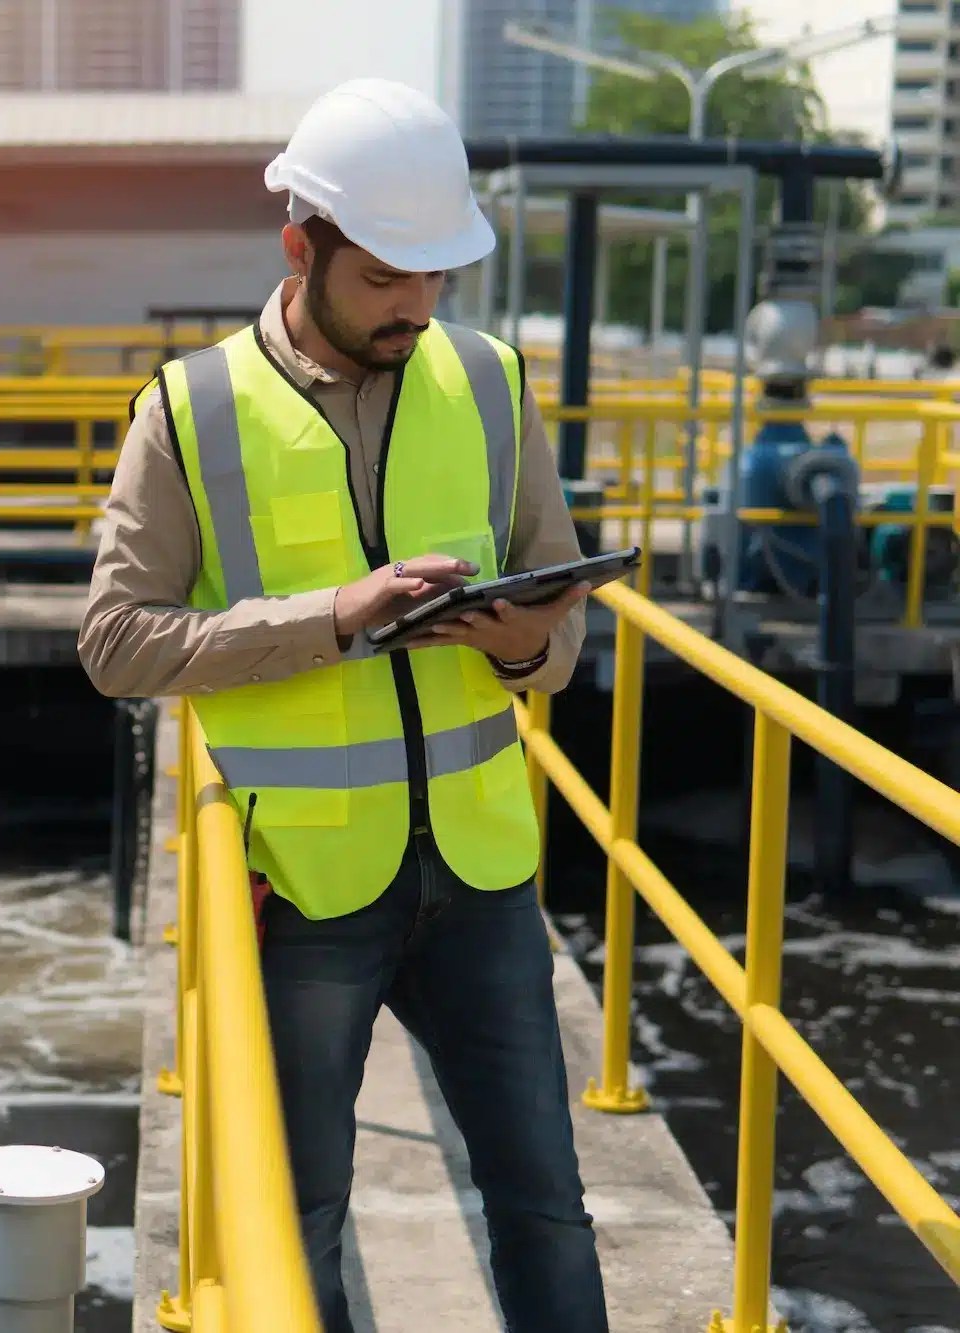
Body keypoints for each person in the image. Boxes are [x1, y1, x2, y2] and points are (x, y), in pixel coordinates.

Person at [77, 79, 607, 1332]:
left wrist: (532, 639)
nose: (413, 310)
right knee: (294, 1218)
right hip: (305, 886)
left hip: (480, 874)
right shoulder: (189, 411)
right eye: (381, 279)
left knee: (545, 1203)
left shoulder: (486, 382)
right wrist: (334, 615)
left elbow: (565, 617)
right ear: (297, 247)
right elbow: (113, 642)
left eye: (434, 281)